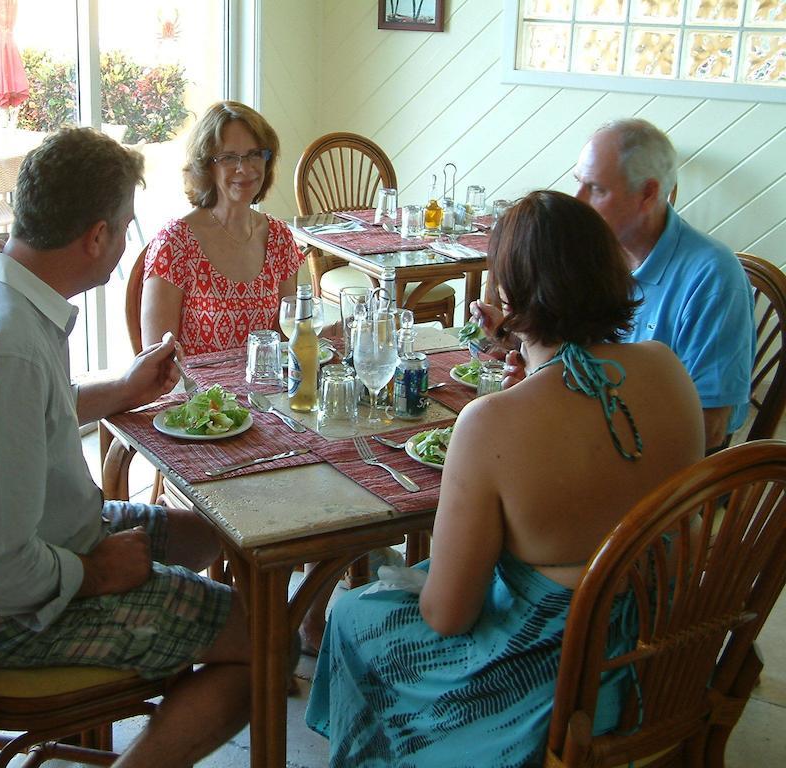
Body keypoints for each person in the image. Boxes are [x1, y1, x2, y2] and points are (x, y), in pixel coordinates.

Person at [0, 127, 252, 768]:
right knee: (262, 645)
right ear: (97, 237)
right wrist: (94, 574)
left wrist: (124, 388)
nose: (124, 243)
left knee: (211, 535)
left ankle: (167, 653)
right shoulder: (10, 349)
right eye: (124, 227)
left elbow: (18, 422)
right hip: (0, 613)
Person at [306, 191, 705, 767]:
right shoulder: (667, 368)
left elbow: (450, 616)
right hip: (663, 650)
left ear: (511, 292)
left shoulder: (491, 424)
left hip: (555, 683)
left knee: (354, 614)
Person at [476, 119, 754, 452]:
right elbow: (569, 358)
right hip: (577, 436)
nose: (577, 200)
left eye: (596, 189)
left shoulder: (713, 276)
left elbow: (710, 430)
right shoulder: (591, 255)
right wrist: (520, 345)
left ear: (648, 193)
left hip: (663, 479)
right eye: (578, 183)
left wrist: (566, 416)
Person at [140, 100, 306, 353]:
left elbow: (287, 340)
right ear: (207, 165)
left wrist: (320, 336)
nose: (245, 168)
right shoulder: (175, 243)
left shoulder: (279, 237)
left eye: (254, 154)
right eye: (229, 158)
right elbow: (156, 360)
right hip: (197, 392)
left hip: (266, 391)